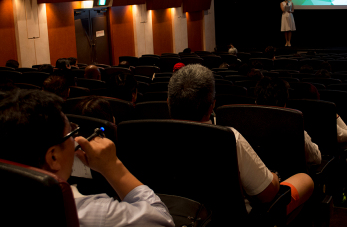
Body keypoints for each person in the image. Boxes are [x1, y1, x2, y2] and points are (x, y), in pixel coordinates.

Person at [0, 89, 174, 227]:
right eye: (71, 133)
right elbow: (162, 220)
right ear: (53, 157)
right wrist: (113, 166)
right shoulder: (92, 212)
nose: (75, 139)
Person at [167, 64, 314, 214]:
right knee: (305, 179)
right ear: (212, 106)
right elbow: (267, 195)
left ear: (168, 102)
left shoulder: (151, 134)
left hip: (177, 215)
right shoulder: (228, 137)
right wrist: (274, 176)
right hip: (232, 220)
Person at [254, 77, 322, 168]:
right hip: (291, 179)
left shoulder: (244, 125)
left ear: (256, 102)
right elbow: (316, 158)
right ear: (285, 104)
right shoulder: (295, 129)